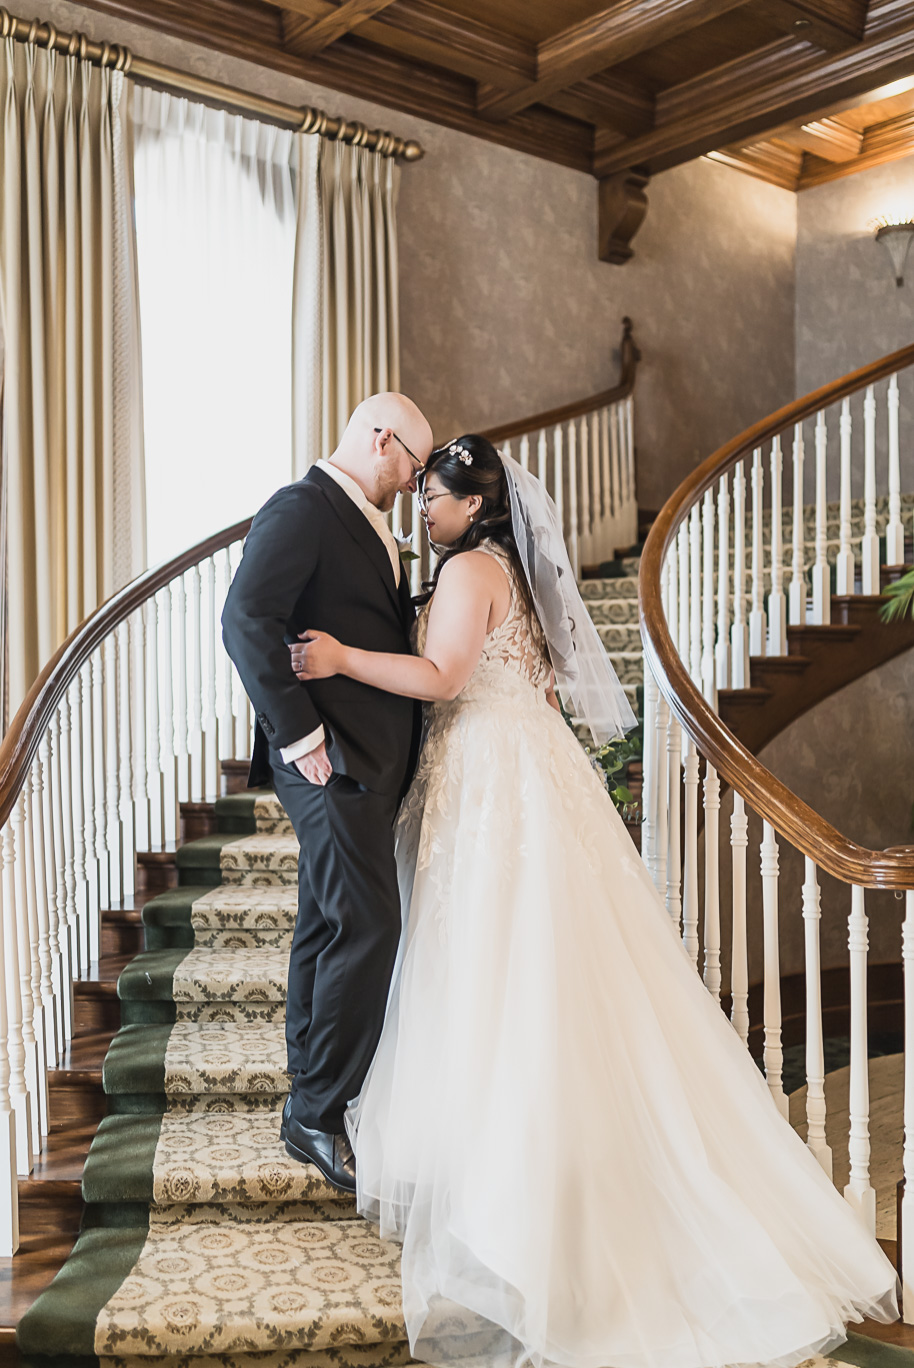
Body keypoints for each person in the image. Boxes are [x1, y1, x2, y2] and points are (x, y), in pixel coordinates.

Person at [289, 433, 899, 1368]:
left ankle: (518, 1198)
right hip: (526, 763)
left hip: (493, 772)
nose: (424, 510)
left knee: (492, 964)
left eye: (436, 500)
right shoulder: (508, 570)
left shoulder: (466, 573)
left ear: (476, 507)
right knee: (541, 964)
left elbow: (445, 678)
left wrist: (336, 658)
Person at [222, 393, 434, 1193]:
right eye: (413, 466)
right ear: (384, 440)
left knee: (327, 918)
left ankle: (307, 1088)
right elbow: (246, 618)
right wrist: (301, 736)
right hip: (331, 761)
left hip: (366, 763)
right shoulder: (303, 507)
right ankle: (318, 1108)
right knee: (370, 925)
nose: (414, 485)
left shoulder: (361, 520)